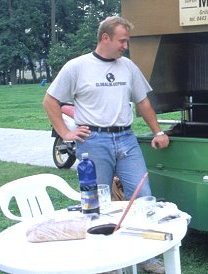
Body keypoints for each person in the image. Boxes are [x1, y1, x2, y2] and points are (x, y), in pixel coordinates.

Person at [43, 16, 169, 274]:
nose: (126, 46)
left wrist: (158, 131)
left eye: (127, 41)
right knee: (95, 203)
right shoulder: (76, 67)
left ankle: (145, 257)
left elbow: (143, 102)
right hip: (94, 141)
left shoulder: (128, 67)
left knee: (143, 196)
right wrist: (65, 132)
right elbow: (50, 101)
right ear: (105, 38)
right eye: (122, 41)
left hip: (126, 139)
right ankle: (104, 261)